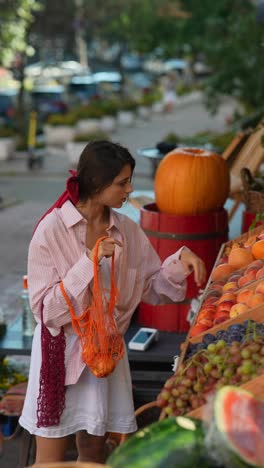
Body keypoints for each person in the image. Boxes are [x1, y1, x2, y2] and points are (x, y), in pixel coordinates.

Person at [19, 140, 206, 465]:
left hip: (106, 357)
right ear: (96, 183)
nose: (130, 189)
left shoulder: (127, 231)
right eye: (122, 182)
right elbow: (47, 312)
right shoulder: (50, 231)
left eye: (129, 180)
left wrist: (180, 261)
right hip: (60, 356)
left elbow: (153, 288)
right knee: (50, 459)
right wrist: (87, 265)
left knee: (94, 452)